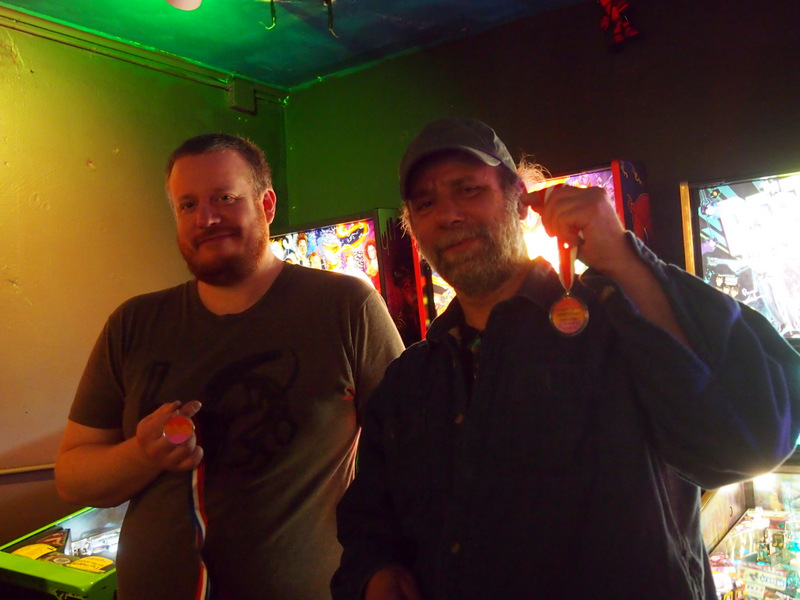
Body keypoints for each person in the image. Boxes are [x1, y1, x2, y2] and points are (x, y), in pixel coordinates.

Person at [331, 118, 800, 599]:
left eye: (468, 189)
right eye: (425, 203)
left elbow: (753, 439)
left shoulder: (614, 327)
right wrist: (375, 572)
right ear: (414, 228)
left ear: (520, 199)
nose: (447, 215)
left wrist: (621, 256)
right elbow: (367, 522)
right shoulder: (408, 381)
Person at [54, 133, 405, 600]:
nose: (207, 218)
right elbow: (72, 475)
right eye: (188, 204)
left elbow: (411, 459)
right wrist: (142, 455)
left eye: (225, 197)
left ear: (267, 204)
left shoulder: (348, 307)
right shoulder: (132, 323)